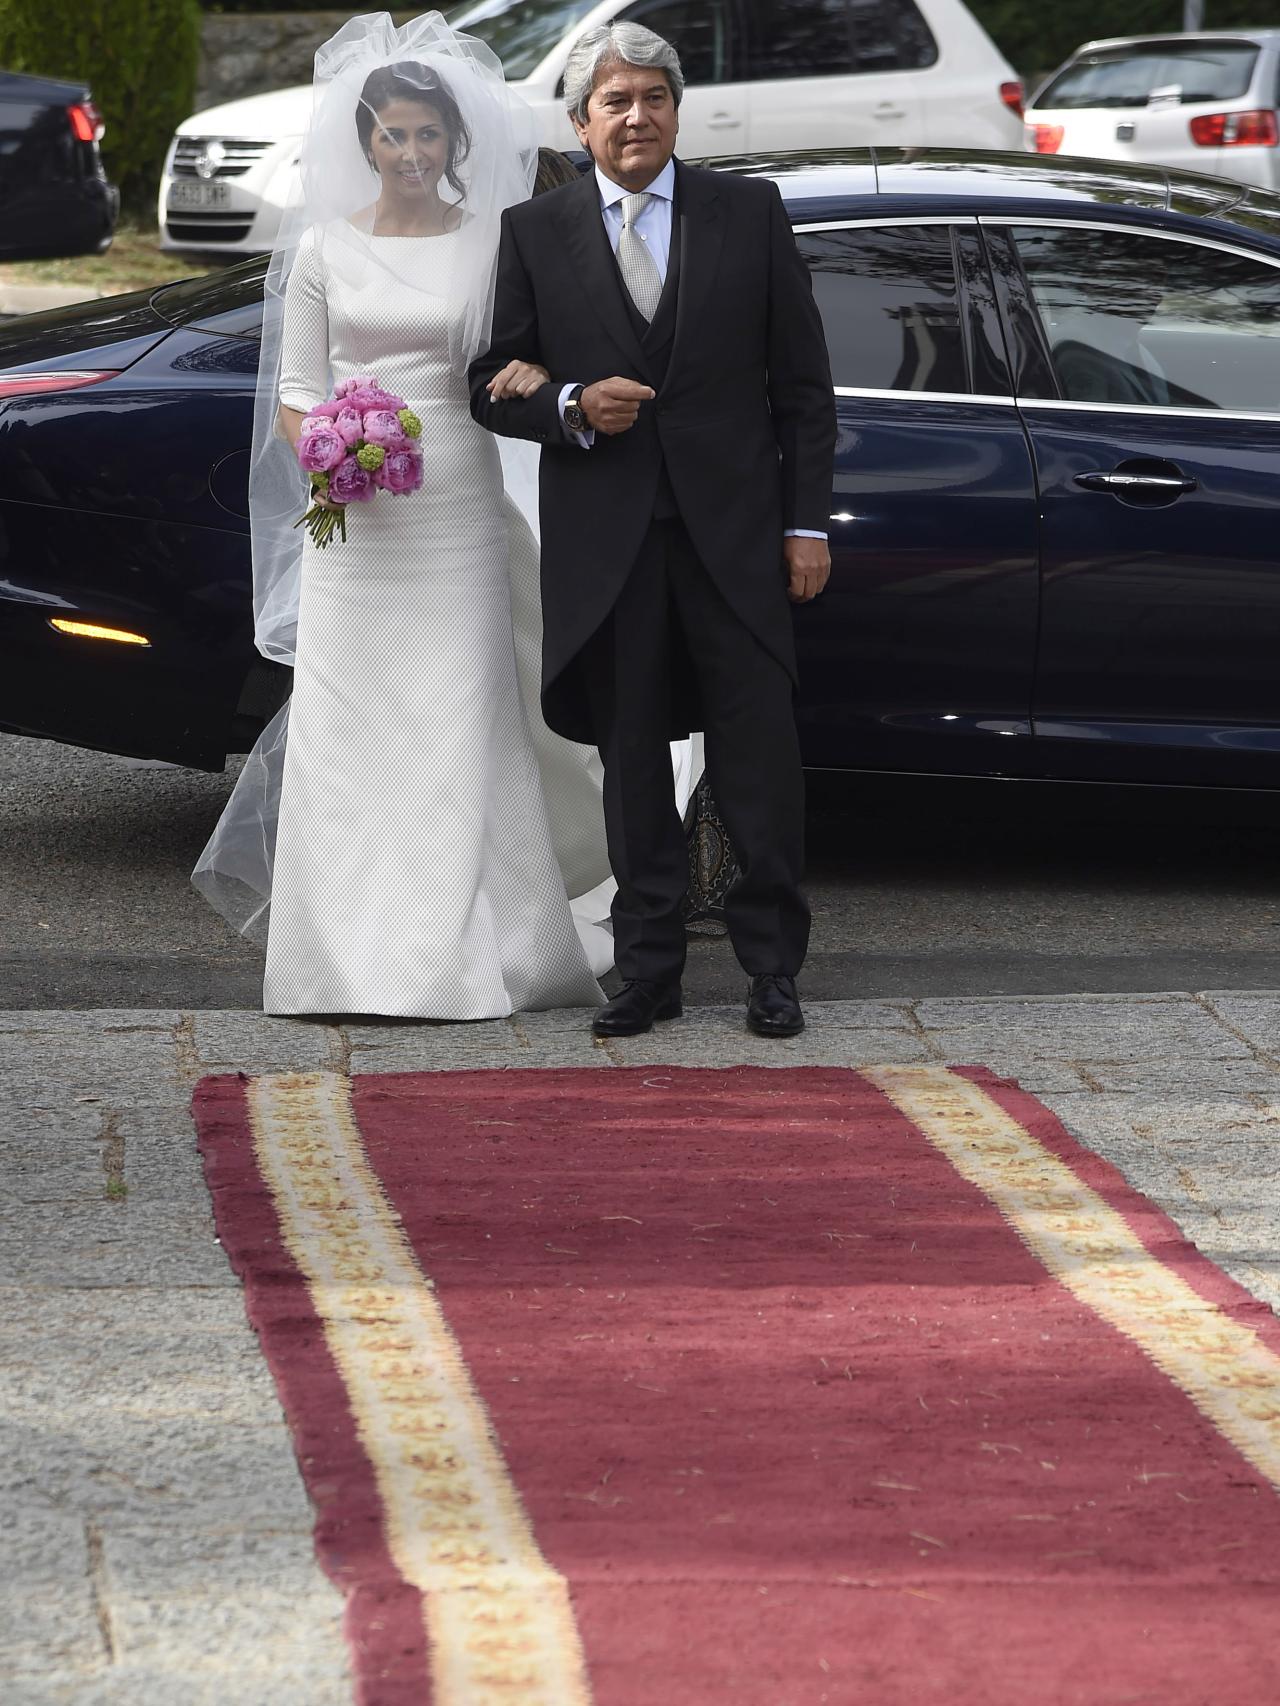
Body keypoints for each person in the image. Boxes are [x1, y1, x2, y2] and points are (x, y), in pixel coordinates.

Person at [193, 14, 611, 1019]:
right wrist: (336, 446)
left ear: (454, 145)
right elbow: (296, 396)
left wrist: (534, 373)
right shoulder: (323, 251)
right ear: (366, 143)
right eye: (394, 135)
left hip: (457, 501)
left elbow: (524, 356)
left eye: (429, 135)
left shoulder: (489, 244)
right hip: (352, 519)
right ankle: (335, 958)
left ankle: (472, 946)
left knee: (460, 718)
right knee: (350, 725)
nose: (412, 153)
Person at [469, 22, 836, 1040]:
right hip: (609, 543)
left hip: (737, 538)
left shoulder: (748, 213)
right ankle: (648, 972)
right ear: (580, 123)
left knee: (758, 756)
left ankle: (772, 970)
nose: (637, 116)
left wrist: (805, 523)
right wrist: (573, 402)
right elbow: (491, 384)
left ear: (678, 110)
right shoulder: (533, 232)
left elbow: (803, 390)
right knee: (631, 763)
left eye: (653, 98)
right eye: (614, 101)